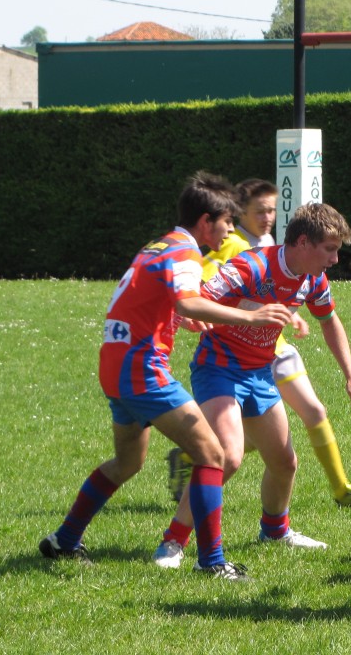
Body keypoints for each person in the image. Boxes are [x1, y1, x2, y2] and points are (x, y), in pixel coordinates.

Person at [39, 171, 294, 581]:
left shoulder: (159, 245)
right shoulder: (186, 252)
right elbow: (189, 301)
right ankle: (212, 562)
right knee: (214, 454)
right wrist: (251, 314)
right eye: (226, 221)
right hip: (143, 370)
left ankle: (63, 541)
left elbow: (158, 300)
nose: (230, 228)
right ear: (206, 221)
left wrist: (178, 317)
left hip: (115, 364)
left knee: (127, 462)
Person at [152, 203, 351, 568]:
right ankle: (173, 542)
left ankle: (275, 530)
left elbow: (330, 322)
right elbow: (196, 300)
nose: (335, 260)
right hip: (219, 369)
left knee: (285, 462)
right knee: (227, 457)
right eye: (330, 249)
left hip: (259, 373)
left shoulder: (312, 279)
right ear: (303, 242)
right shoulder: (251, 266)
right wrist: (237, 316)